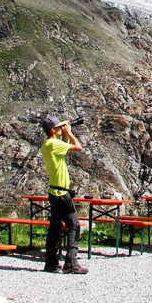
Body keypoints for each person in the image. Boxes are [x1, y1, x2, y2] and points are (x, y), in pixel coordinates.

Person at [41, 116, 87, 274]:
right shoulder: (54, 143)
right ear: (53, 130)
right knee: (73, 225)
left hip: (53, 192)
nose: (62, 129)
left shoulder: (48, 144)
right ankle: (71, 263)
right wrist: (70, 133)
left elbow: (65, 147)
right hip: (62, 192)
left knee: (54, 227)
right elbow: (77, 147)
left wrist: (66, 132)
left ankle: (51, 263)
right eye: (59, 127)